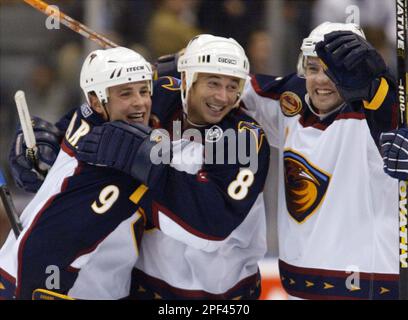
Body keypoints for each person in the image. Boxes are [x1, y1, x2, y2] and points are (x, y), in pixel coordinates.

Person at [3, 35, 270, 300]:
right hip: (144, 287)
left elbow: (211, 224)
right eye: (213, 83)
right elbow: (97, 118)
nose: (222, 97)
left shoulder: (242, 138)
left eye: (232, 86)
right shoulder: (158, 96)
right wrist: (47, 140)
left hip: (221, 294)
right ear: (187, 80)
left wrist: (143, 161)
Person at [241, 22, 399, 299]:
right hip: (300, 286)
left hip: (369, 286)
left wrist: (382, 82)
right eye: (313, 68)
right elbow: (226, 88)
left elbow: (388, 112)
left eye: (333, 71)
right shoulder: (290, 99)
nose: (322, 80)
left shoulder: (378, 112)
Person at [0, 46, 156, 299]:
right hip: (51, 289)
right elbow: (45, 246)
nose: (139, 101)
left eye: (144, 90)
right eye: (126, 93)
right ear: (96, 101)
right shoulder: (110, 162)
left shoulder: (85, 117)